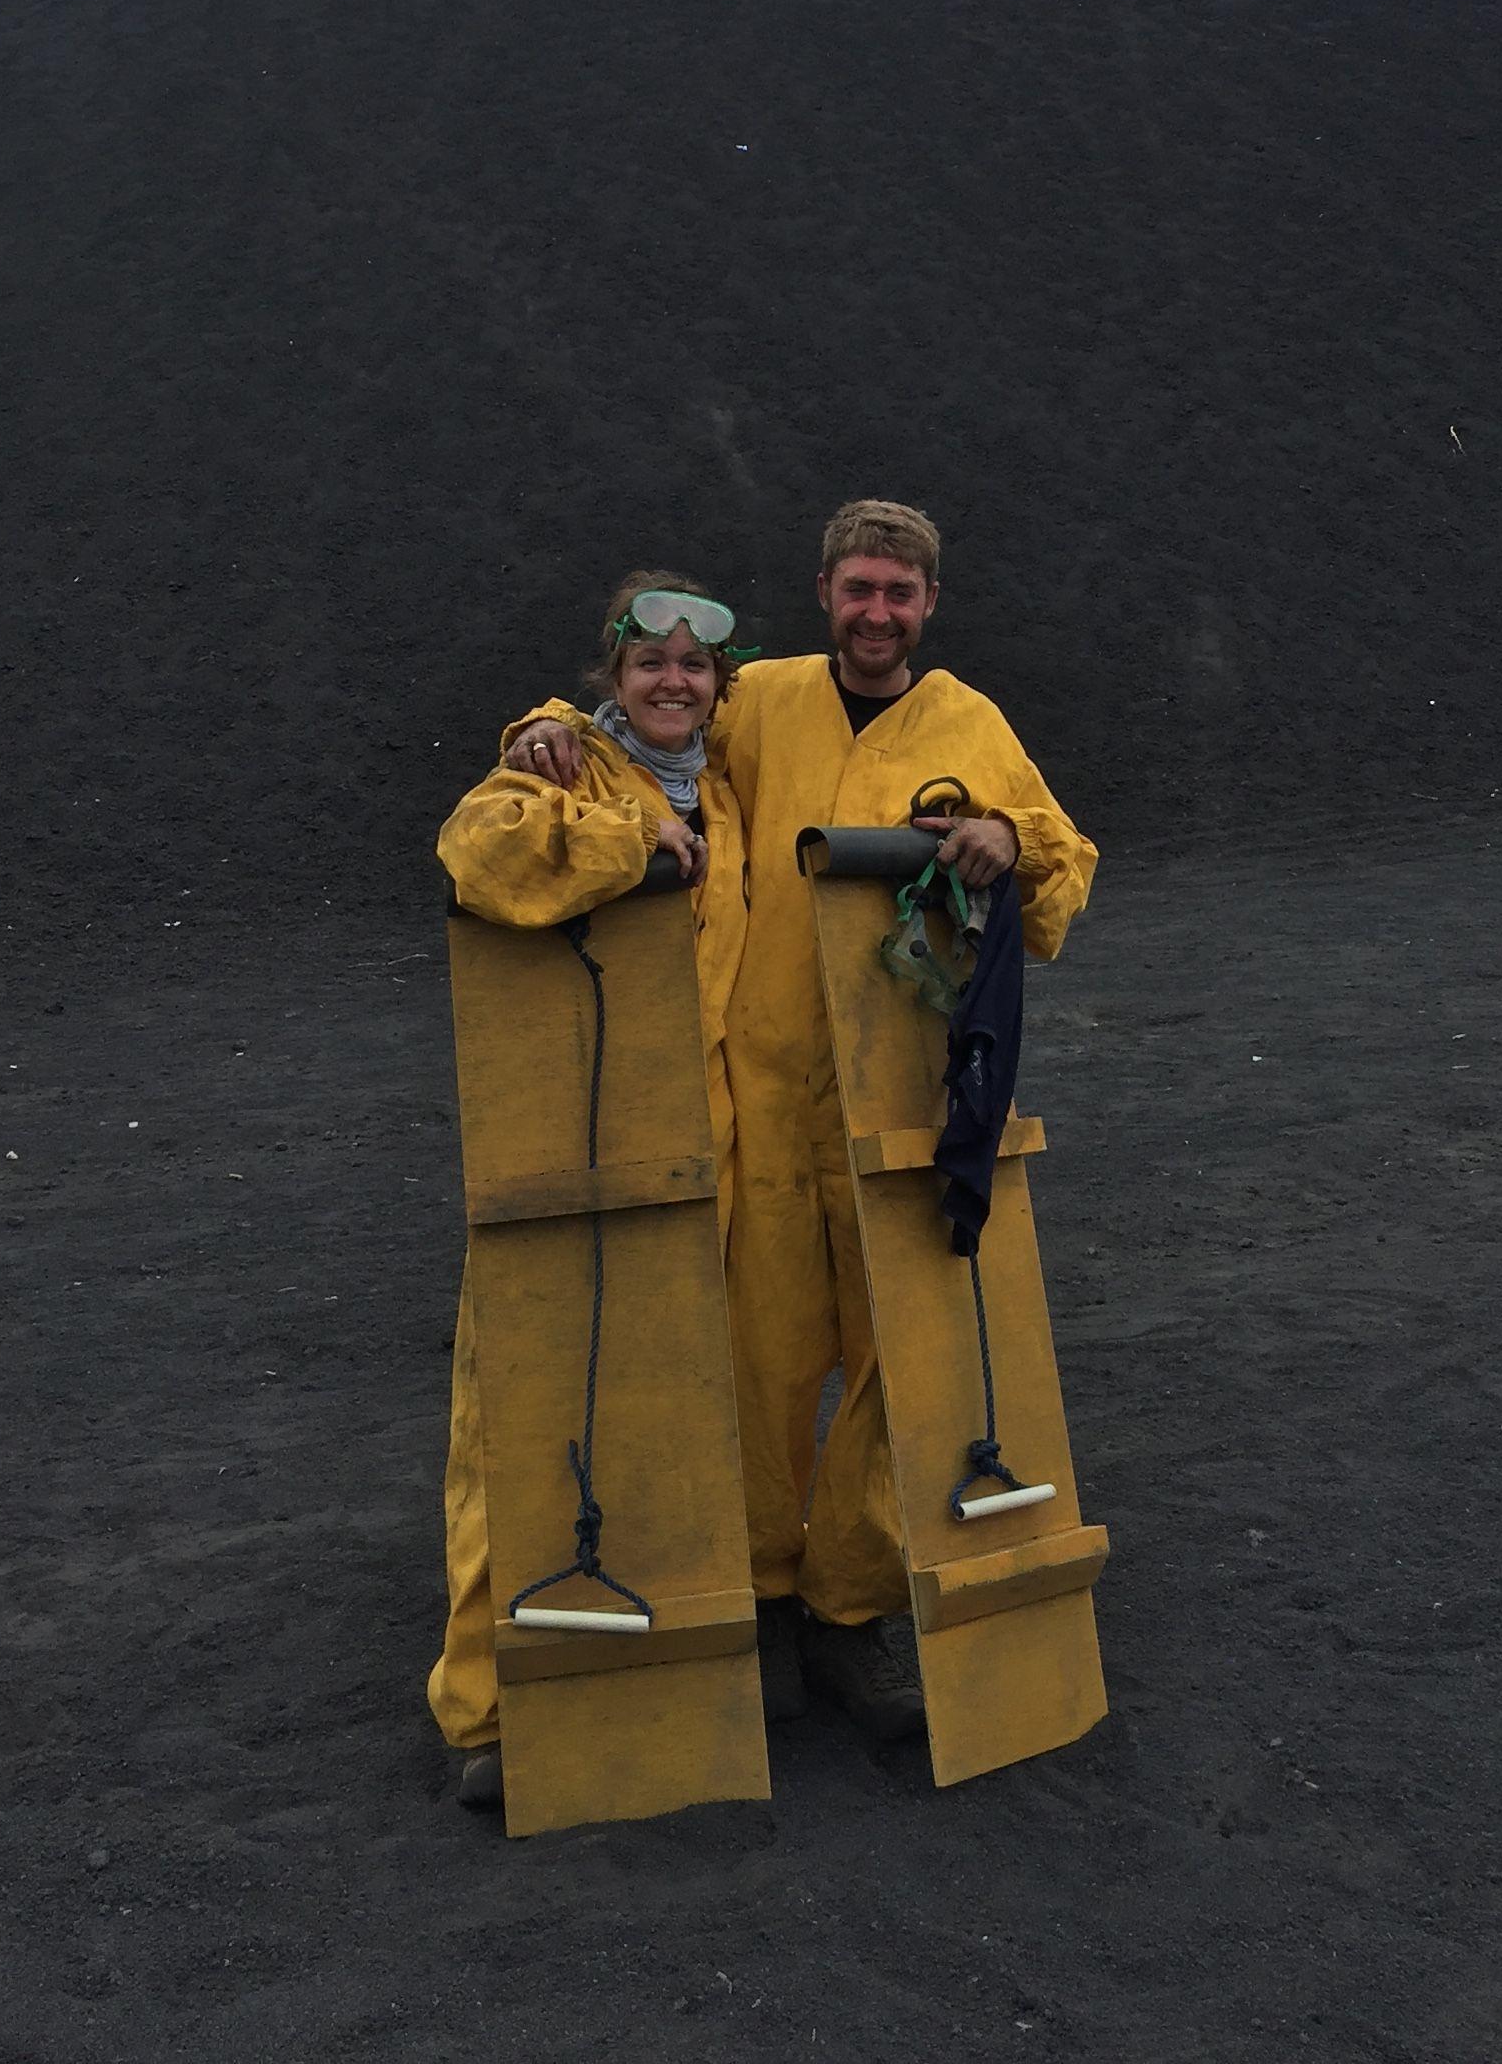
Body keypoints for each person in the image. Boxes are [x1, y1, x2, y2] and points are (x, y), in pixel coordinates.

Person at [505, 499, 1096, 1745]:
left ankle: (849, 1611)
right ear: (825, 592)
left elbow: (1061, 862)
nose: (877, 613)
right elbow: (645, 729)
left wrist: (1003, 834)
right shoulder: (760, 697)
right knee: (761, 1359)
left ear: (928, 606)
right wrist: (547, 726)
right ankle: (766, 1598)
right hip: (767, 1090)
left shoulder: (970, 723)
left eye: (900, 594)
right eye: (858, 589)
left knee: (898, 1360)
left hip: (902, 1095)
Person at [427, 572, 749, 1813]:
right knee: (517, 1421)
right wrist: (622, 844)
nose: (673, 682)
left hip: (692, 1153)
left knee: (664, 1414)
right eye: (648, 663)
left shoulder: (725, 783)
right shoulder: (570, 774)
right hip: (563, 1150)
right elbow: (478, 848)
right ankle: (486, 1706)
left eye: (695, 666)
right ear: (610, 676)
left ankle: (649, 1672)